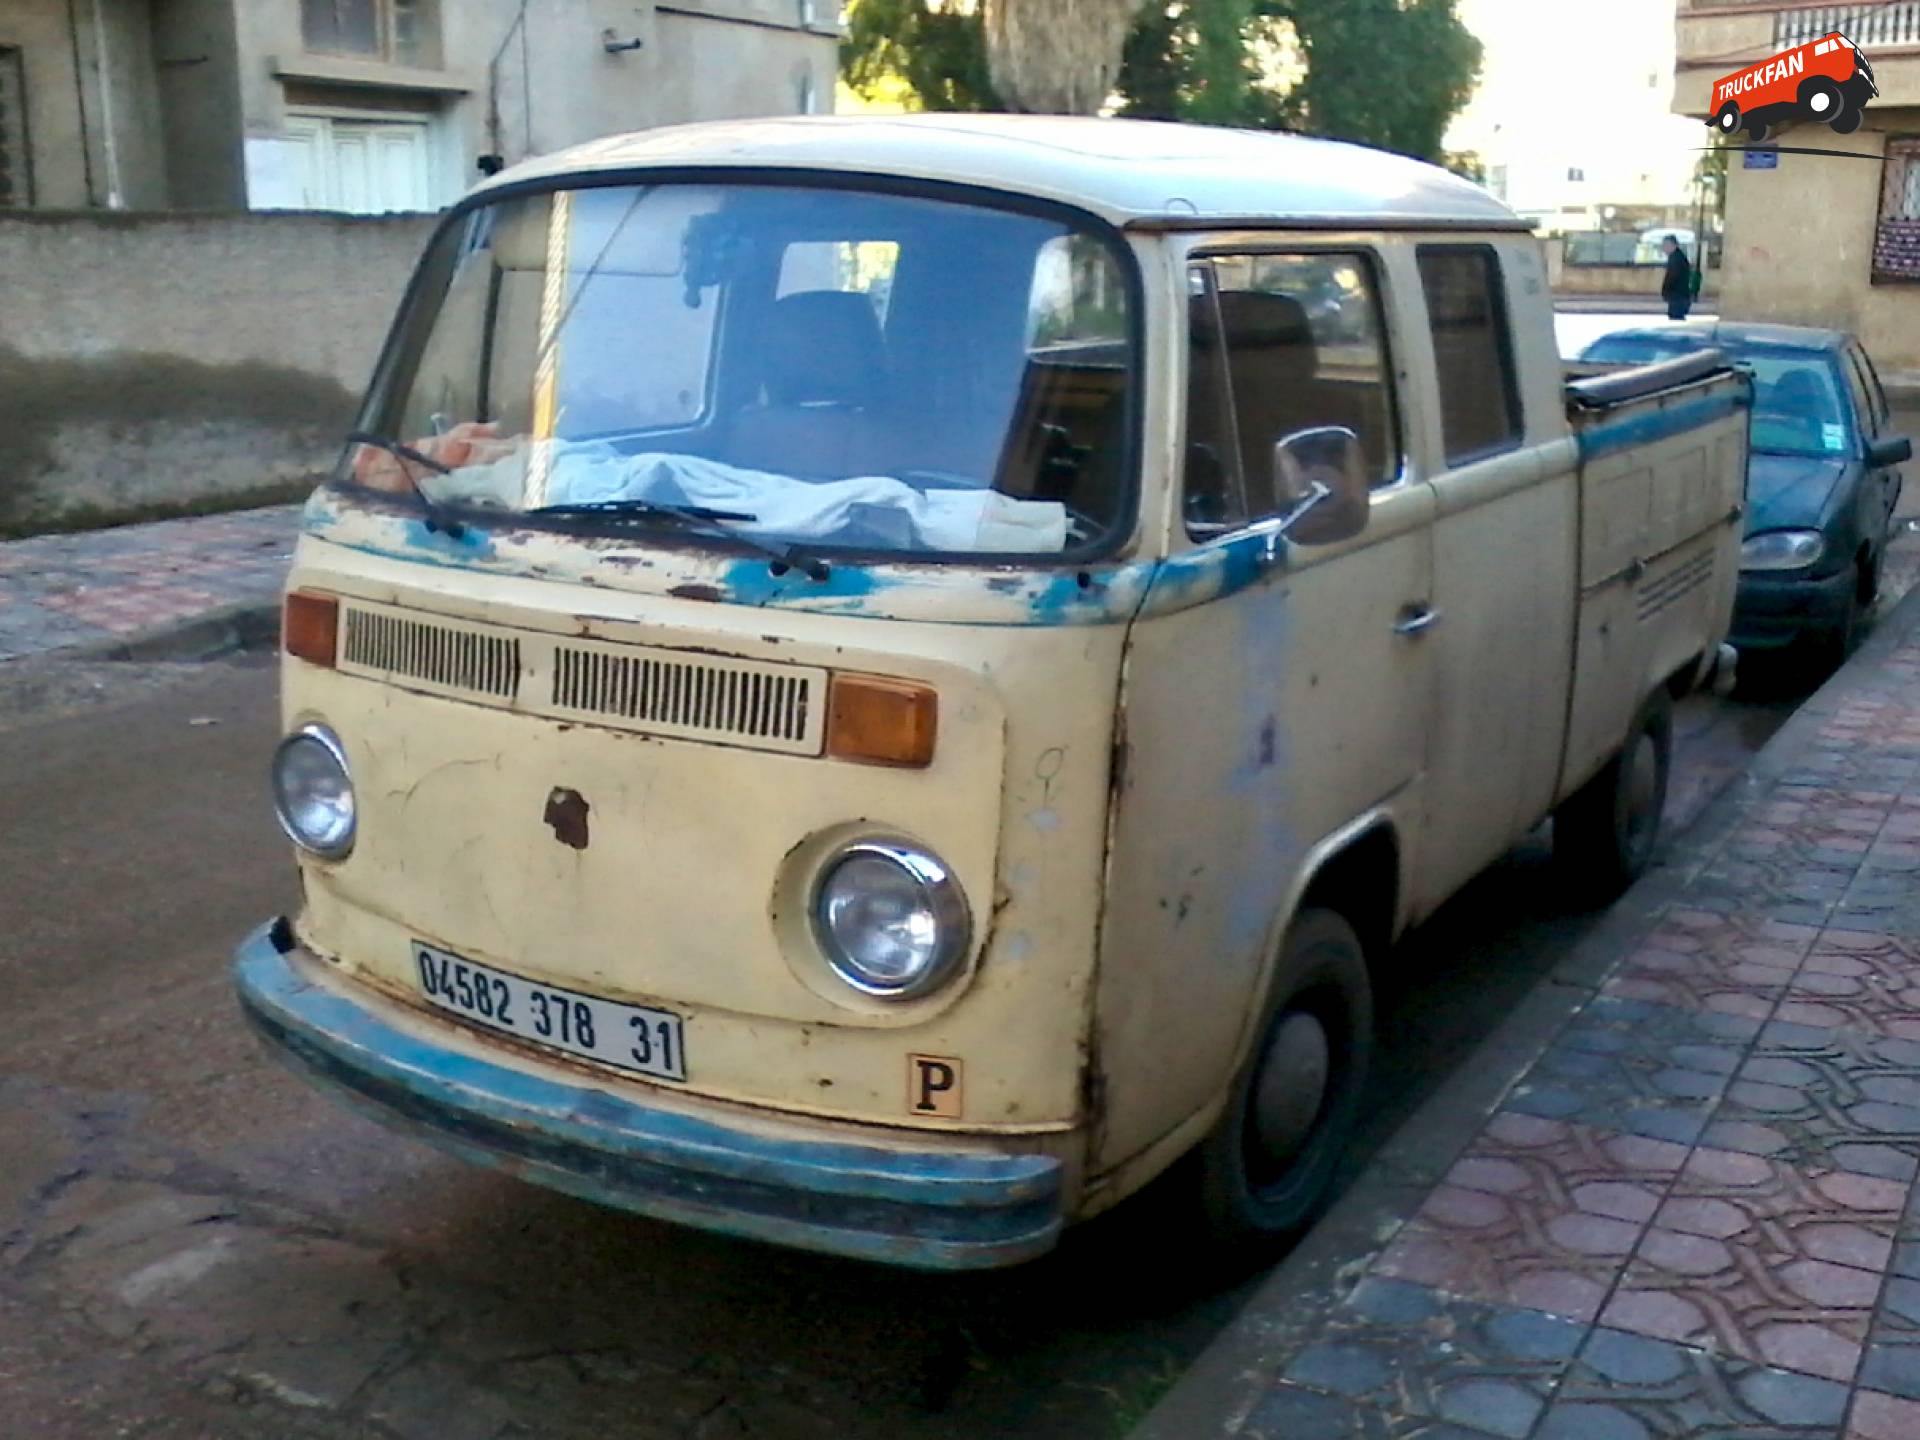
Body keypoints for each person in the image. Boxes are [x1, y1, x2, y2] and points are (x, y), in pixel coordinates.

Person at [1661, 235, 1694, 322]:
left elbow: (1672, 277)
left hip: (1678, 297)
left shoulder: (1676, 259)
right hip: (1679, 296)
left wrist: (1665, 291)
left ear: (1673, 245)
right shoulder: (1678, 257)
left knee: (1676, 320)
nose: (1664, 248)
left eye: (1666, 245)